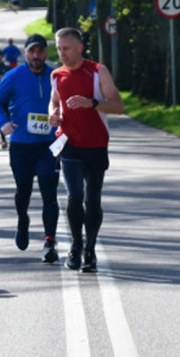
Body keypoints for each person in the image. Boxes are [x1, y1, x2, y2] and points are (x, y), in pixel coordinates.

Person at [49, 27, 124, 273]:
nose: (62, 53)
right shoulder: (57, 75)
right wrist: (53, 114)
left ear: (80, 47)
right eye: (59, 48)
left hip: (96, 145)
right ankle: (76, 245)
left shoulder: (97, 71)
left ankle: (90, 250)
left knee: (93, 199)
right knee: (74, 196)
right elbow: (55, 101)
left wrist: (92, 103)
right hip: (69, 145)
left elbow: (118, 106)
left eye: (67, 48)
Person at [0, 34, 61, 263]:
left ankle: (50, 241)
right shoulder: (14, 76)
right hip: (21, 144)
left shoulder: (55, 76)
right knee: (24, 191)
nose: (37, 56)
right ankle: (23, 219)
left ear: (46, 53)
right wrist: (3, 123)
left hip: (49, 145)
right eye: (32, 51)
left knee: (50, 192)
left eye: (40, 51)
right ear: (25, 53)